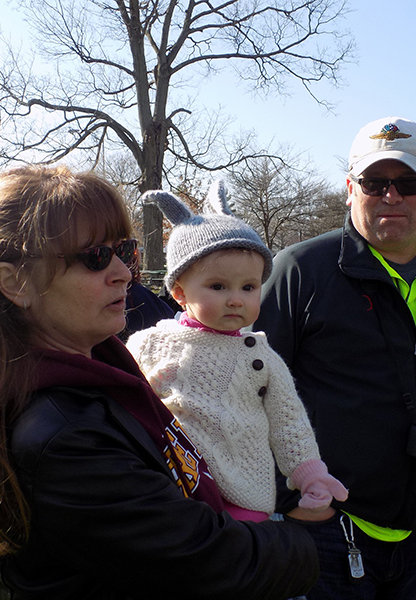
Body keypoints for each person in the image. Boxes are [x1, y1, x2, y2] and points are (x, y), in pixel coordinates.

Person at [0, 165, 319, 600]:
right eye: (94, 257)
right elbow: (201, 560)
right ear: (16, 282)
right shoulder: (64, 438)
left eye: (122, 250)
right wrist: (300, 542)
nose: (124, 272)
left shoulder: (108, 371)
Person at [254, 117, 416, 600]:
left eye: (407, 182)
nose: (391, 195)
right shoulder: (299, 270)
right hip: (327, 524)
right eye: (374, 182)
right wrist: (288, 496)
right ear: (350, 188)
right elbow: (248, 390)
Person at [127, 182, 348, 522]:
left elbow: (289, 424)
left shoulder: (259, 358)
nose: (236, 299)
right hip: (172, 490)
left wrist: (310, 475)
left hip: (245, 499)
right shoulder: (148, 344)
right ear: (180, 292)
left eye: (249, 287)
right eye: (218, 286)